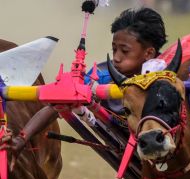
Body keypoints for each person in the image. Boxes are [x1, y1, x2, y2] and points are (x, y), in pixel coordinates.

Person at [0, 7, 168, 170]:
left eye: (124, 51)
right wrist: (21, 140)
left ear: (149, 53)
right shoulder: (100, 77)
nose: (116, 57)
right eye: (114, 49)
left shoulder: (170, 79)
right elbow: (57, 105)